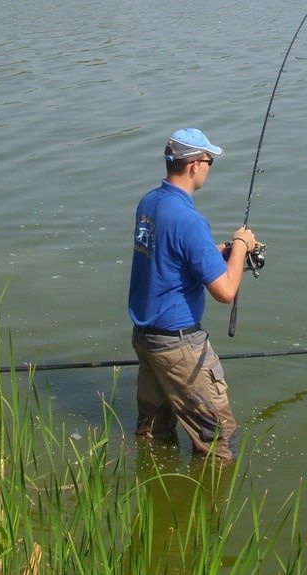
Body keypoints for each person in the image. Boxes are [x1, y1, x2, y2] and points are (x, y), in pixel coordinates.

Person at [128, 127, 259, 460]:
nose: (209, 167)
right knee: (220, 444)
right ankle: (211, 511)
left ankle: (157, 496)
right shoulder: (189, 220)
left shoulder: (150, 202)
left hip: (146, 338)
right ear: (194, 165)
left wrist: (217, 252)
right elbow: (226, 292)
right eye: (209, 160)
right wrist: (241, 246)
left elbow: (170, 255)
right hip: (179, 347)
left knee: (153, 435)